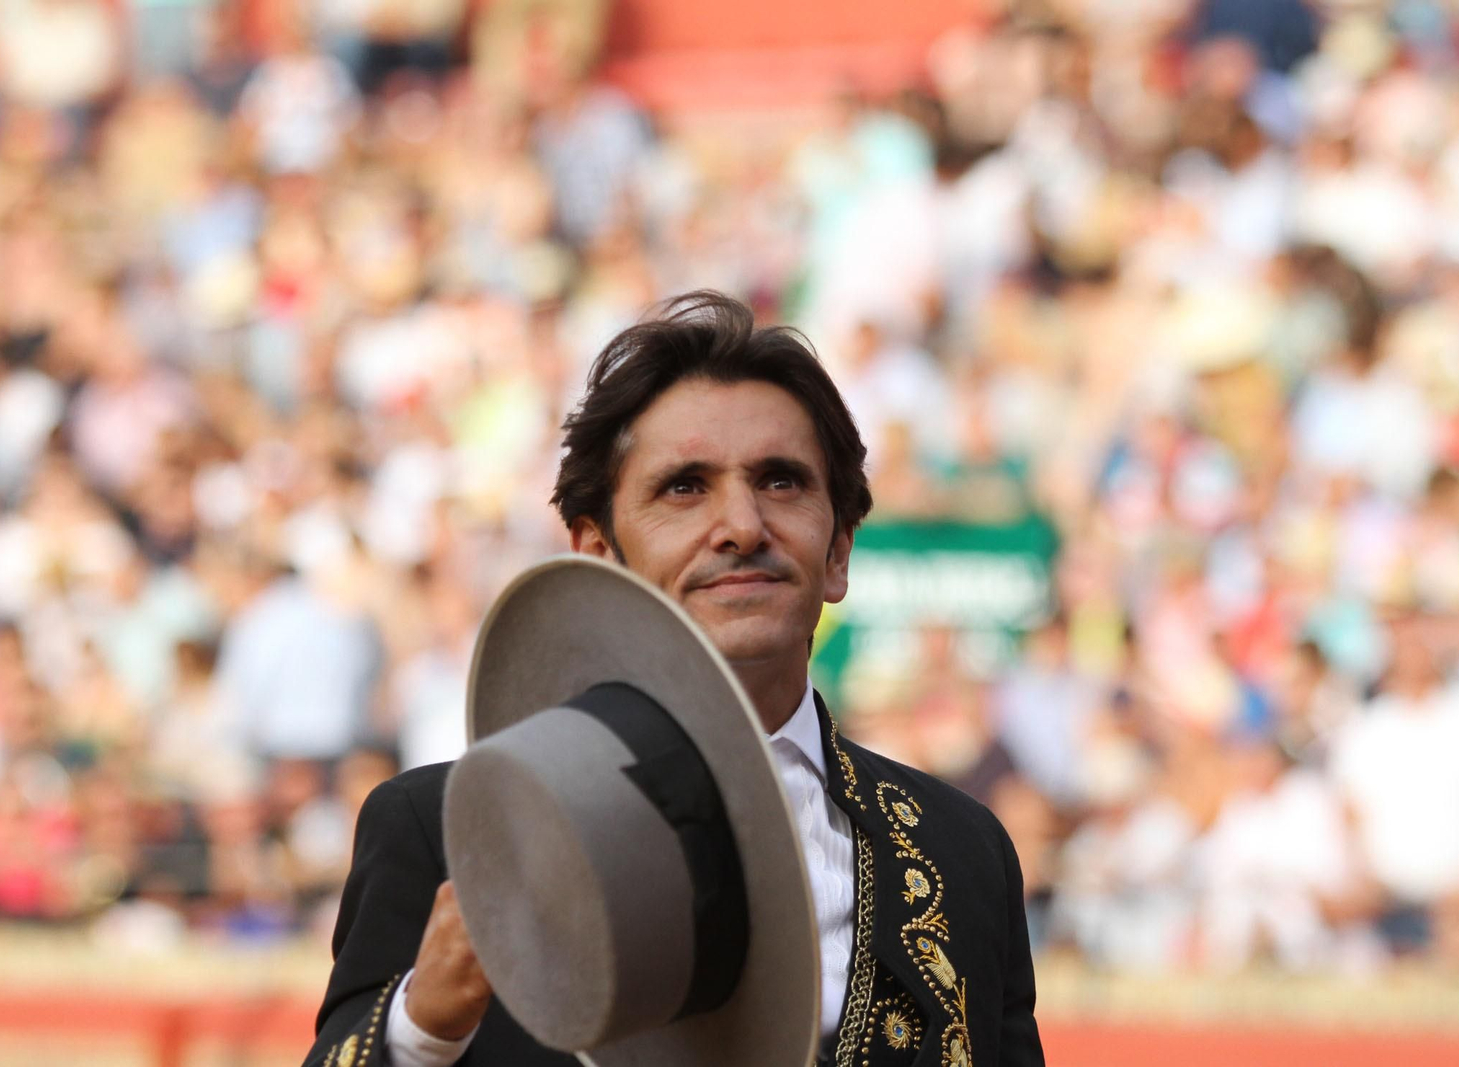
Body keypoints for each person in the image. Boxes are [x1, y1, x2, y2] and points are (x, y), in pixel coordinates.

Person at [305, 291, 1044, 1066]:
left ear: (838, 553)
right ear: (597, 554)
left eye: (782, 481)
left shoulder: (962, 850)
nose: (742, 526)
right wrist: (423, 1027)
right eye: (684, 486)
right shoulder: (443, 828)